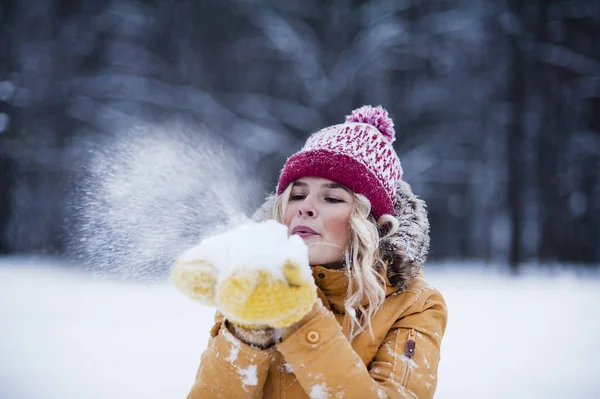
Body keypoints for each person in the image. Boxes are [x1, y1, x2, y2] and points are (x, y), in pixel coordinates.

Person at [173, 105, 448, 398]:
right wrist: (248, 331)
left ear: (371, 224)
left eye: (331, 198)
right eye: (298, 195)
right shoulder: (254, 282)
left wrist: (301, 317)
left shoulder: (415, 304)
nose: (305, 207)